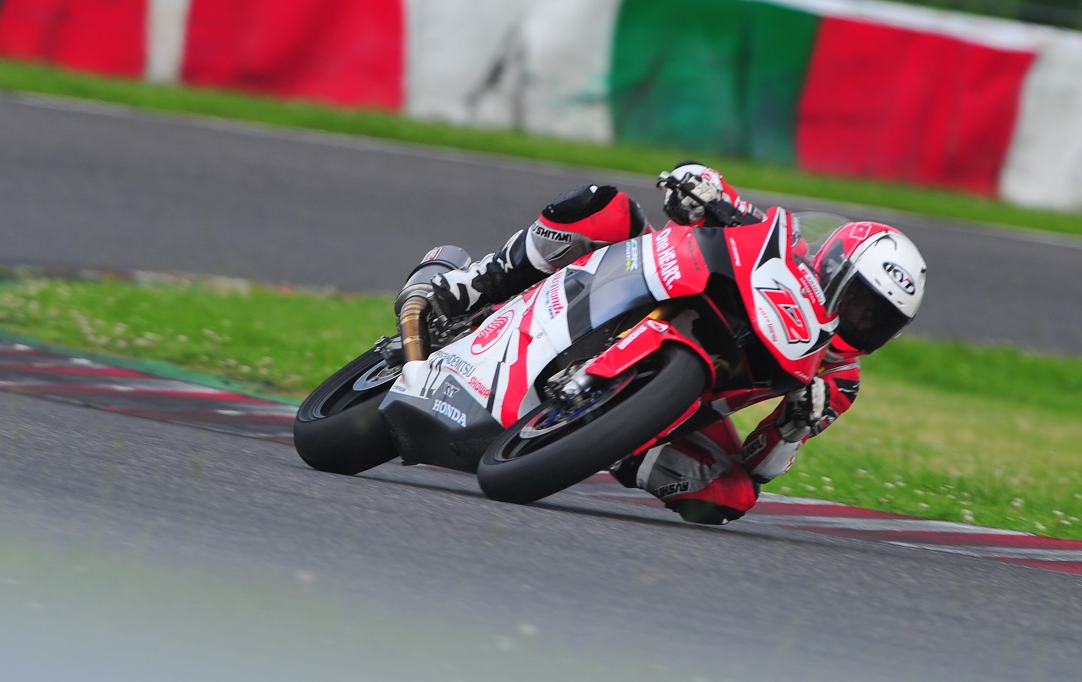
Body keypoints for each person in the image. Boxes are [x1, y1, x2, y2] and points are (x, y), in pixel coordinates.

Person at [397, 162, 928, 523]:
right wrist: (701, 188)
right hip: (655, 280)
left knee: (730, 496)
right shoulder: (784, 247)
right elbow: (719, 197)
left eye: (876, 321)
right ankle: (471, 286)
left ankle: (610, 441)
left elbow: (760, 466)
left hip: (685, 402)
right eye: (858, 302)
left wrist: (792, 430)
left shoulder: (838, 380)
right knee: (604, 207)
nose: (859, 322)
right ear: (832, 264)